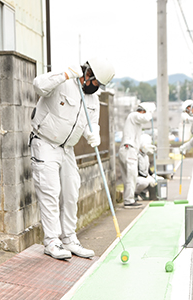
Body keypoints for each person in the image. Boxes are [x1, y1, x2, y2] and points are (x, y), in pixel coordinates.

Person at [30, 57, 115, 260]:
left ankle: (69, 238)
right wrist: (64, 74)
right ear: (88, 75)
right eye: (96, 82)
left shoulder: (93, 100)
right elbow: (38, 86)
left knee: (71, 192)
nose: (97, 88)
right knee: (50, 191)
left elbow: (90, 124)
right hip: (45, 142)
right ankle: (52, 240)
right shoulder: (64, 82)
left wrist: (93, 134)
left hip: (67, 148)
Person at [118, 103, 154, 208]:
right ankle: (129, 201)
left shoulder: (135, 122)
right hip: (129, 149)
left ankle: (128, 199)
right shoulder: (134, 115)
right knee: (131, 176)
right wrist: (150, 111)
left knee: (127, 177)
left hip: (127, 149)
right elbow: (146, 118)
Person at [135, 134, 163, 200]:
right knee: (145, 182)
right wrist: (148, 178)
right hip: (137, 178)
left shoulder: (145, 156)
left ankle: (147, 194)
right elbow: (138, 172)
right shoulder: (137, 156)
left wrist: (153, 176)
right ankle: (135, 194)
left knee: (157, 180)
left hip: (145, 177)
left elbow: (148, 171)